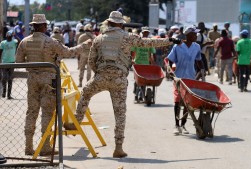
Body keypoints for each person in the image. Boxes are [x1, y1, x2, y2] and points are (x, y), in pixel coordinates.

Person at [63, 11, 179, 158]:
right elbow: (148, 42)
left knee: (85, 92)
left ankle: (76, 121)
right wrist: (170, 40)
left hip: (101, 76)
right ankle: (118, 148)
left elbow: (91, 61)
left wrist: (99, 73)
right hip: (119, 79)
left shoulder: (99, 38)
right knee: (120, 113)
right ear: (120, 23)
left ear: (109, 23)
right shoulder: (128, 37)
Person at [15, 14, 91, 156]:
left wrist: (33, 66)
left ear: (33, 26)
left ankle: (28, 146)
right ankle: (44, 146)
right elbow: (68, 52)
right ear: (43, 26)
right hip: (49, 80)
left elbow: (18, 61)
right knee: (47, 113)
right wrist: (83, 46)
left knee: (31, 112)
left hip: (32, 79)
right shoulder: (51, 42)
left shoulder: (24, 42)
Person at [166, 26, 204, 135]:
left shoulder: (196, 47)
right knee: (177, 100)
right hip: (178, 77)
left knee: (188, 102)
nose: (196, 36)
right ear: (188, 35)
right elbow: (170, 60)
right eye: (194, 34)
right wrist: (169, 70)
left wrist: (202, 70)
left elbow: (198, 60)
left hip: (191, 77)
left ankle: (183, 124)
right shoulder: (178, 46)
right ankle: (176, 125)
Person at [131, 27, 157, 101]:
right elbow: (133, 51)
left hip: (146, 64)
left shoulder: (149, 43)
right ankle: (136, 92)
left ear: (148, 34)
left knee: (144, 80)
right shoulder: (137, 42)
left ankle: (140, 95)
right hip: (137, 63)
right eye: (144, 33)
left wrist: (154, 62)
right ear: (142, 33)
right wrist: (132, 59)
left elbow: (153, 52)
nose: (146, 34)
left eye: (147, 33)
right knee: (137, 80)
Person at [0, 31, 18, 99]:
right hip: (4, 62)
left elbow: (19, 41)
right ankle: (4, 92)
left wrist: (15, 35)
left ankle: (9, 95)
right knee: (4, 78)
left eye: (10, 36)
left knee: (10, 79)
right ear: (6, 36)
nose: (9, 37)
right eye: (8, 35)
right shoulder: (3, 43)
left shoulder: (14, 42)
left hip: (12, 62)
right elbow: (0, 52)